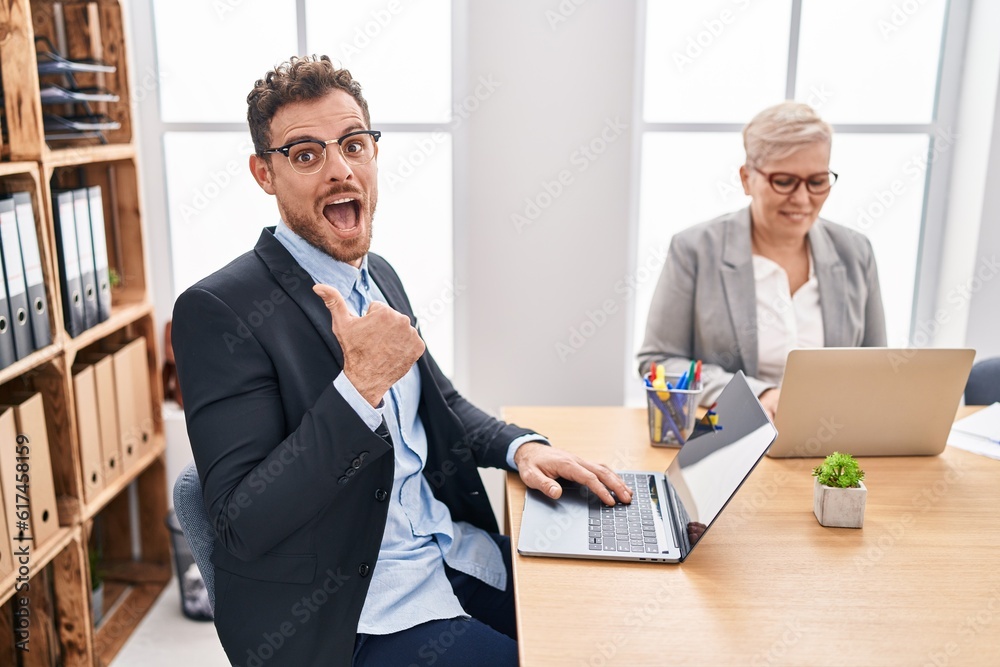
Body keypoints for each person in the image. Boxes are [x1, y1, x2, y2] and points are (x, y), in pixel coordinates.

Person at [171, 55, 631, 667]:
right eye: (306, 154)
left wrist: (525, 449)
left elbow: (443, 407)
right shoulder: (218, 309)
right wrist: (356, 388)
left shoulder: (379, 276)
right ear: (264, 173)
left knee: (611, 622)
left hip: (448, 554)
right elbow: (241, 522)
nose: (340, 171)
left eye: (354, 145)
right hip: (354, 611)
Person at [637, 101, 886, 419]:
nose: (801, 198)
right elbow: (658, 361)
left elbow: (878, 366)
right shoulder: (695, 249)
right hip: (732, 434)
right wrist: (760, 395)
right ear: (746, 179)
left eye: (817, 181)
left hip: (833, 439)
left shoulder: (855, 251)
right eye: (784, 182)